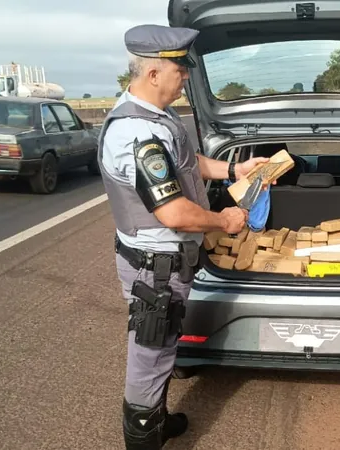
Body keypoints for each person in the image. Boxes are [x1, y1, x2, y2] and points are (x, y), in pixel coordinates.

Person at [98, 24, 270, 449]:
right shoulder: (135, 134)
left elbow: (186, 161)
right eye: (180, 69)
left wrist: (234, 170)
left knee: (161, 350)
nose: (187, 77)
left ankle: (155, 419)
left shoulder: (158, 117)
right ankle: (143, 436)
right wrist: (225, 221)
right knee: (150, 357)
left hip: (164, 263)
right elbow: (173, 212)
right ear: (154, 73)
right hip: (154, 268)